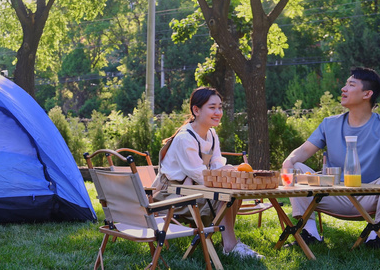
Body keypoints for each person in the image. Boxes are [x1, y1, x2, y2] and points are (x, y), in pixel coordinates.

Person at [152, 86, 263, 259]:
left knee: (232, 191)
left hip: (194, 188)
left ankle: (229, 243)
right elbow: (200, 174)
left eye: (220, 107)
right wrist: (226, 172)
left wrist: (230, 170)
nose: (218, 112)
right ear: (196, 110)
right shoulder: (185, 138)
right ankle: (230, 245)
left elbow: (217, 164)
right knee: (226, 194)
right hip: (171, 194)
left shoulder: (211, 134)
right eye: (212, 107)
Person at [282, 66, 380, 248]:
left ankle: (376, 234)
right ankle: (310, 232)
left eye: (351, 85)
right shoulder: (330, 124)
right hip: (333, 194)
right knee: (296, 166)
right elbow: (303, 151)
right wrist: (288, 162)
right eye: (345, 84)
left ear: (367, 94)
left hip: (371, 196)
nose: (343, 89)